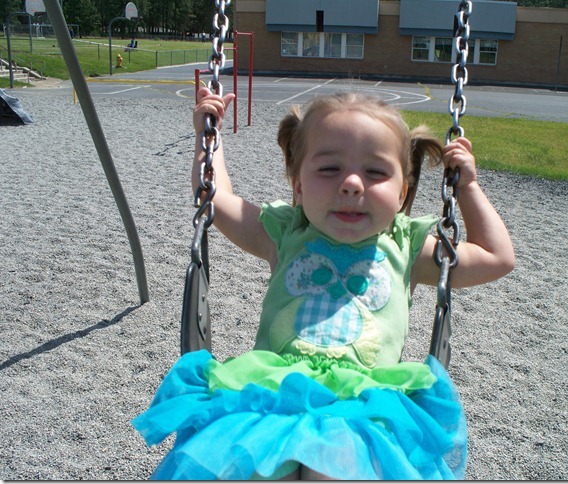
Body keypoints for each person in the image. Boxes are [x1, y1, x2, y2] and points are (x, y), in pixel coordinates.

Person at [132, 88, 515, 480]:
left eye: (375, 172)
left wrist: (467, 187)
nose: (351, 184)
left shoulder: (408, 248)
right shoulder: (284, 233)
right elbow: (213, 195)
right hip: (273, 396)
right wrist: (207, 136)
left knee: (333, 469)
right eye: (329, 169)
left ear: (402, 192)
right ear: (298, 184)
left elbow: (497, 257)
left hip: (360, 408)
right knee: (258, 470)